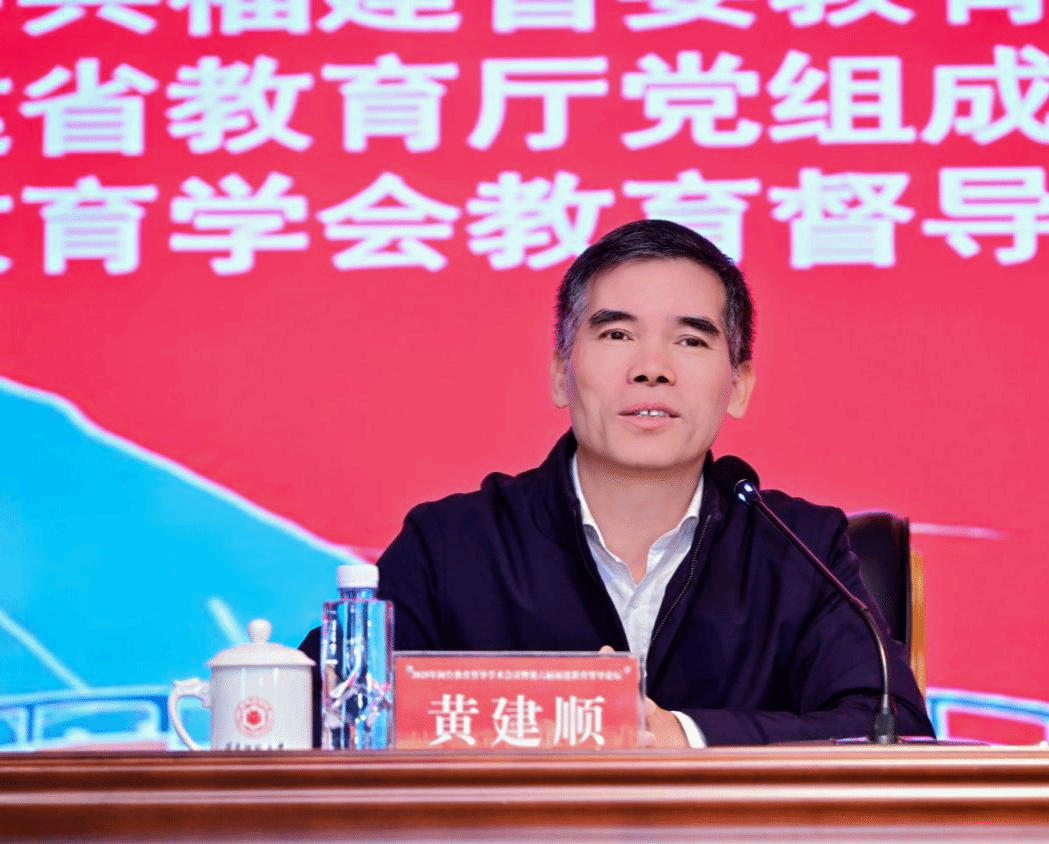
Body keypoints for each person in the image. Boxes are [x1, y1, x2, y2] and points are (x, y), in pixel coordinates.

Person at [302, 219, 933, 746]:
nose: (652, 368)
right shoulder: (452, 544)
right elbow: (314, 712)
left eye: (690, 340)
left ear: (738, 385)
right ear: (561, 374)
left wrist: (682, 736)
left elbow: (894, 730)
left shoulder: (800, 548)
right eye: (617, 334)